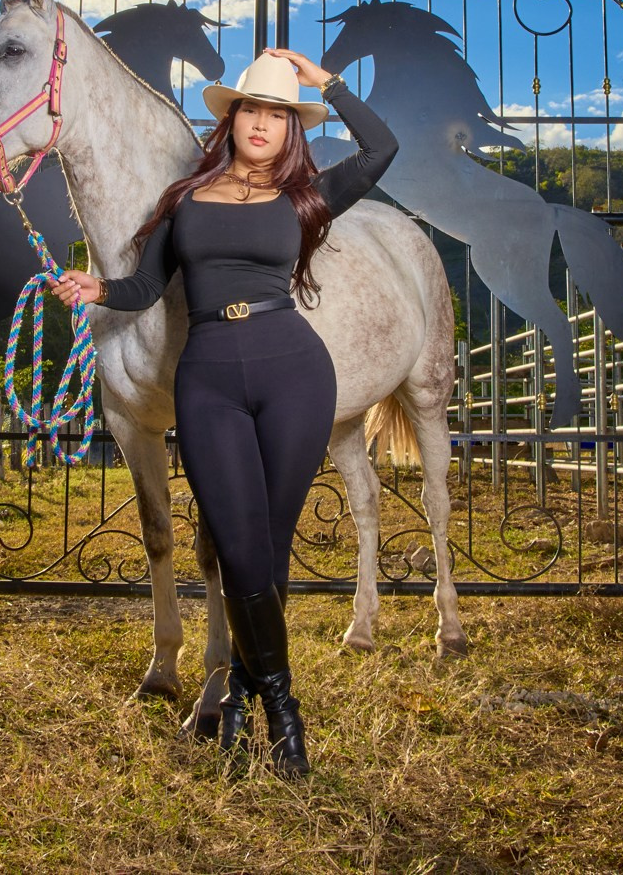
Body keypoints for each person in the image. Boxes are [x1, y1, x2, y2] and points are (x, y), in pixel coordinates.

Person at [50, 46, 397, 777]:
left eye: (278, 112)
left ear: (291, 125)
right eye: (253, 108)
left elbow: (382, 148)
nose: (264, 122)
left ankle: (247, 698)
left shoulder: (307, 197)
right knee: (237, 550)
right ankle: (281, 705)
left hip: (294, 372)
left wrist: (324, 82)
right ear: (232, 118)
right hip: (208, 373)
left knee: (267, 551)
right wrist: (96, 290)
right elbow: (145, 287)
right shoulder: (182, 200)